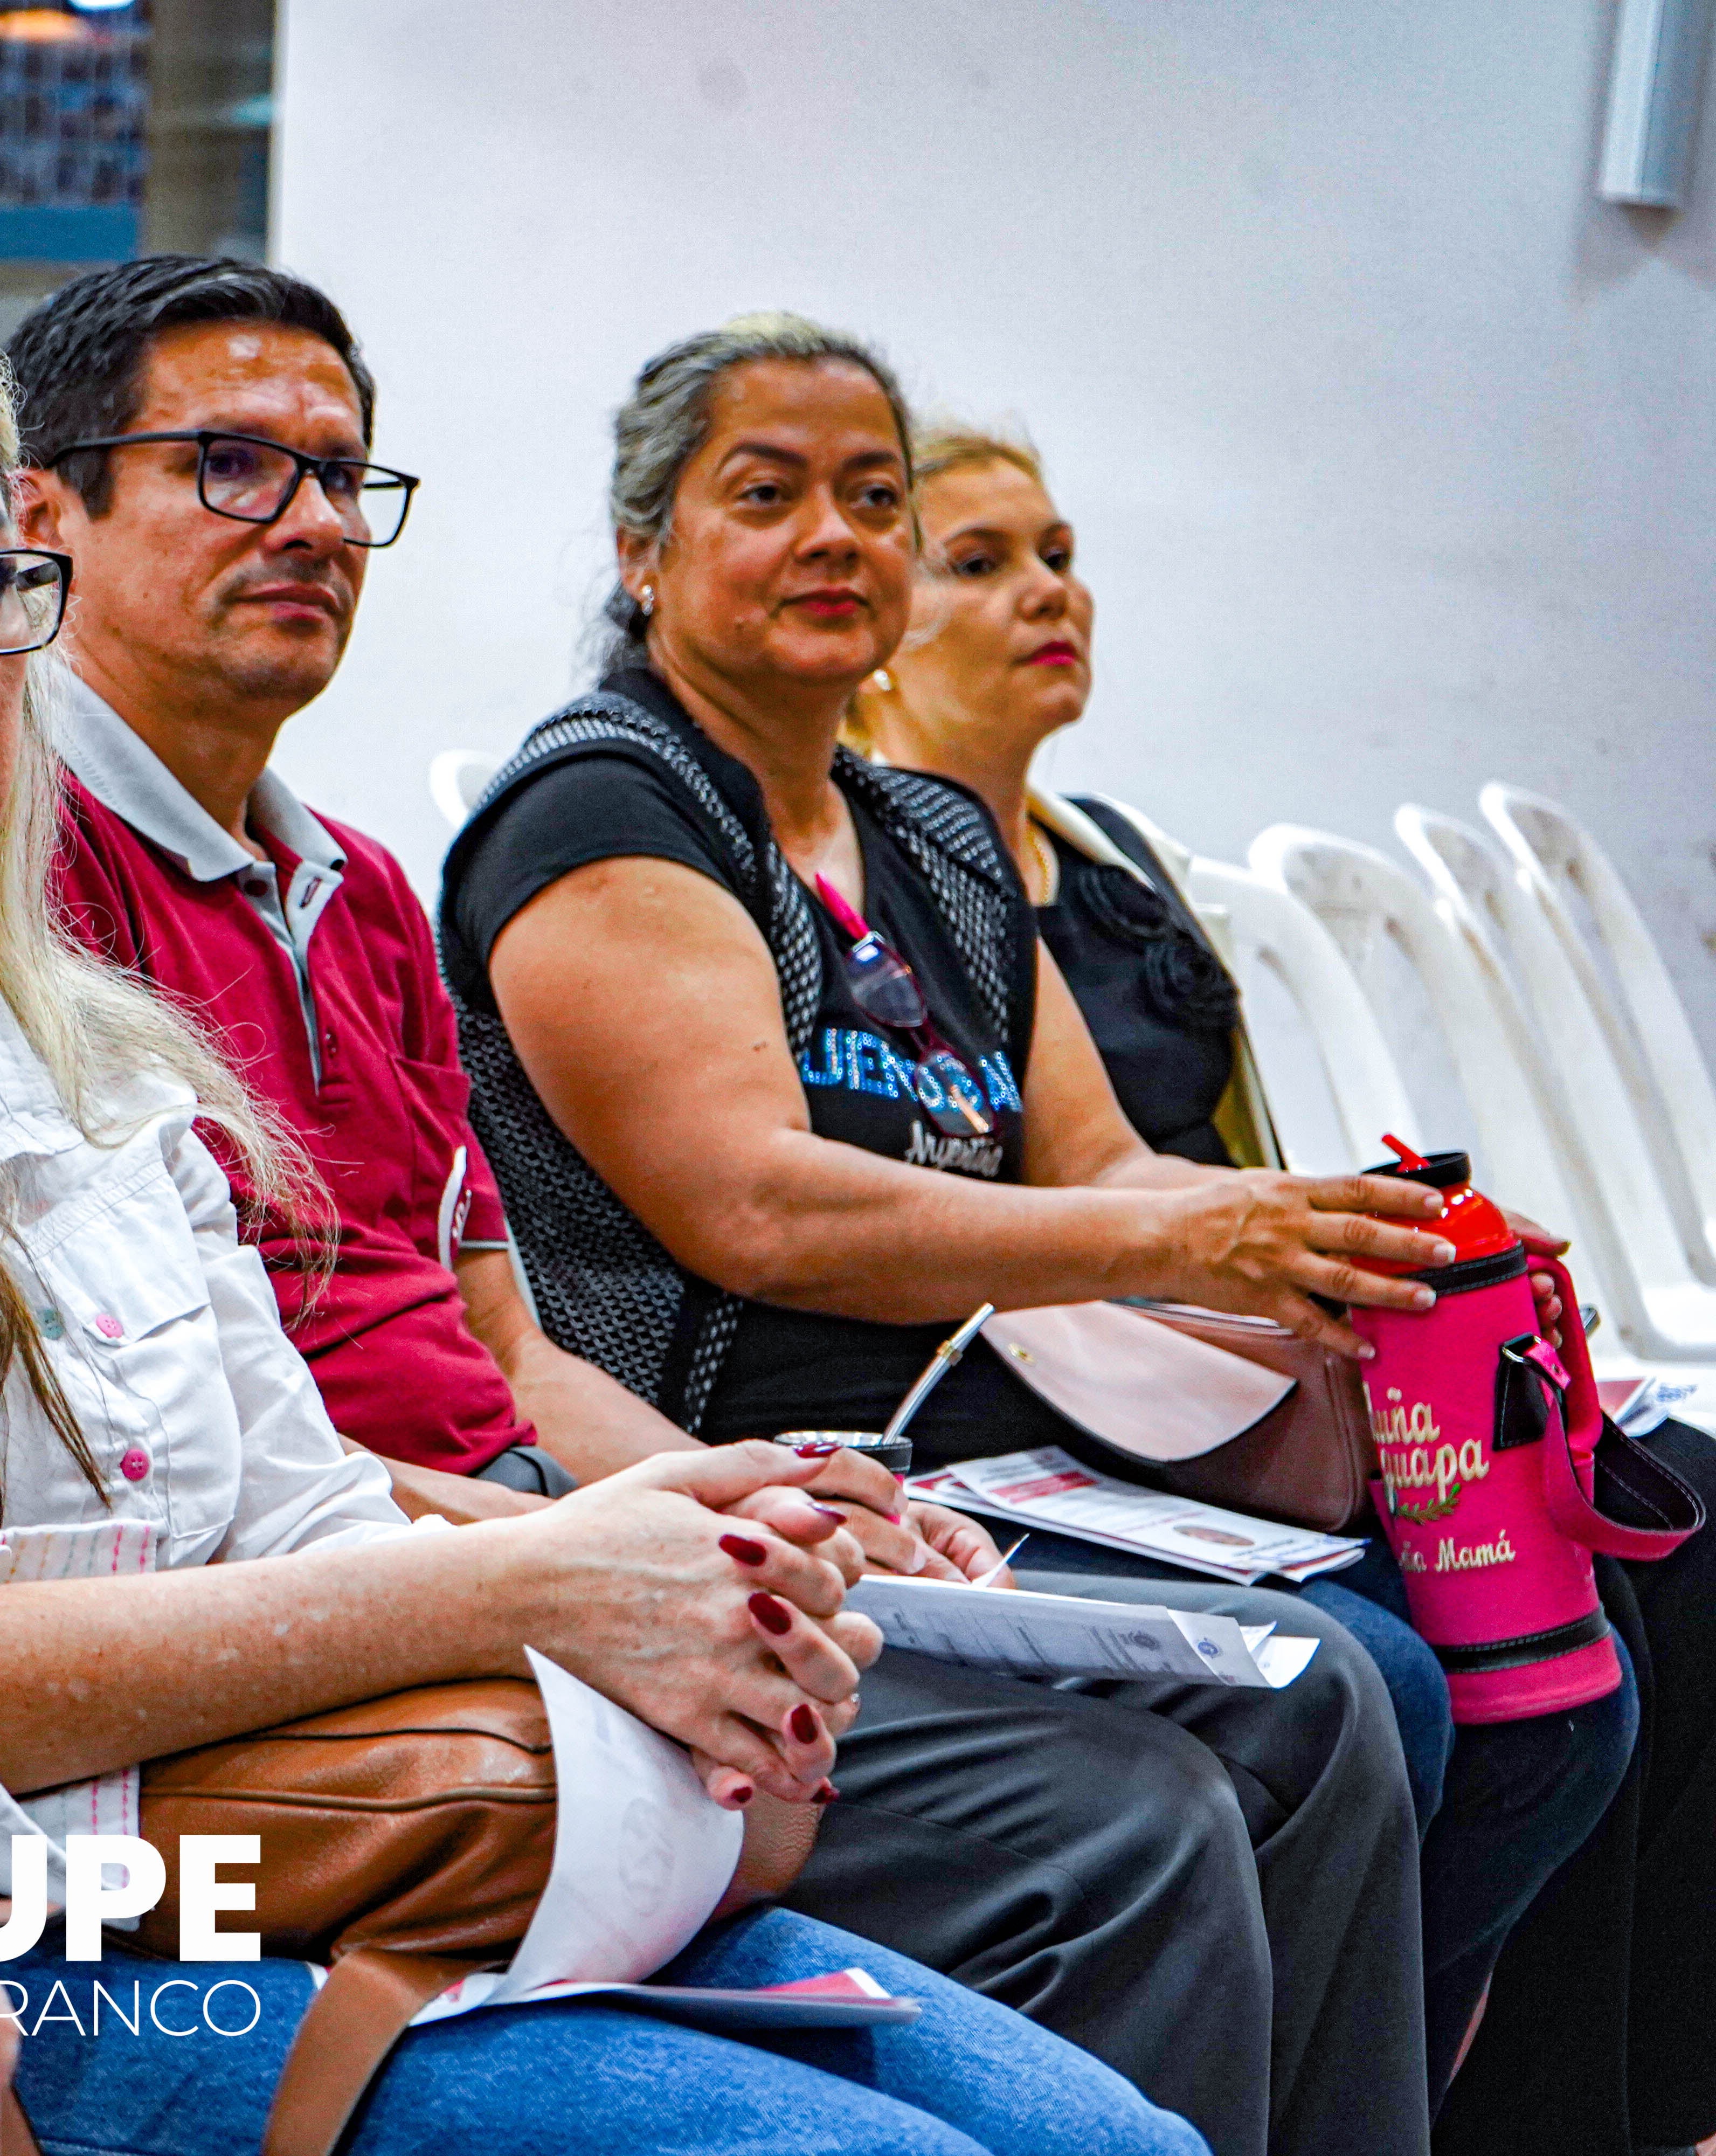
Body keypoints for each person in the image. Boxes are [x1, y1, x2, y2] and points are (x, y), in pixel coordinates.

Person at [0, 281, 1205, 2156]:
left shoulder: (85, 1054)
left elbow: (300, 1504)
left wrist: (673, 1562)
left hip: (294, 1853)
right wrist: (532, 1576)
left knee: (1128, 2145)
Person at [437, 314, 1447, 2156]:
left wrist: (1316, 1228)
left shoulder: (937, 839)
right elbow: (752, 1204)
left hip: (993, 1469)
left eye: (877, 499)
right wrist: (1186, 1248)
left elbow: (1098, 1163)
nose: (837, 536)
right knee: (1235, 1761)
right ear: (642, 549)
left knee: (1356, 1693)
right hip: (747, 1476)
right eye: (770, 494)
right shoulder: (605, 806)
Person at [848, 427, 1697, 2151]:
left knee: (1667, 1545)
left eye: (1063, 550)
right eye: (982, 558)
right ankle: (1390, 2074)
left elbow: (1210, 1158)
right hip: (1078, 1386)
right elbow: (1021, 1219)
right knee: (1435, 1672)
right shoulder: (883, 888)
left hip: (1225, 1353)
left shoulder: (1105, 865)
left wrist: (1380, 1258)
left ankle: (1595, 2100)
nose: (1049, 592)